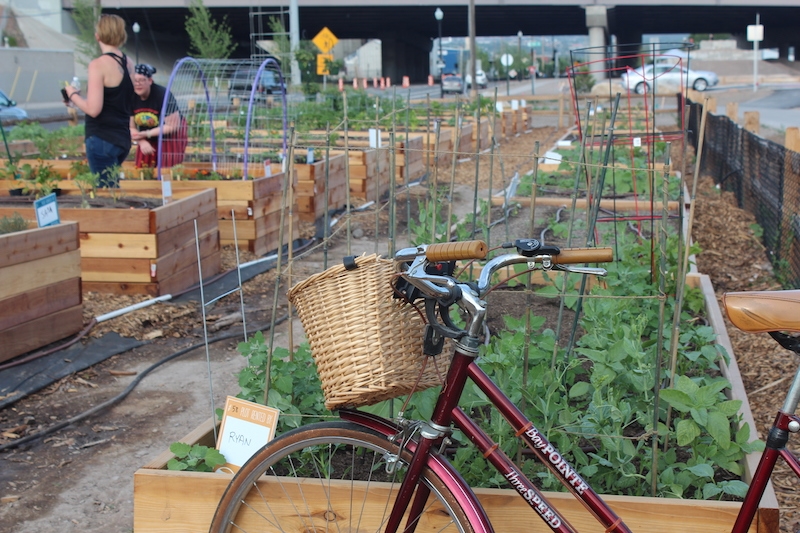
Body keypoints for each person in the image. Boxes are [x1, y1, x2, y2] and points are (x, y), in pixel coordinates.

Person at [65, 14, 134, 188]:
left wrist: (72, 95)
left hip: (102, 137)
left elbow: (94, 109)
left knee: (106, 196)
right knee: (112, 190)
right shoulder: (129, 63)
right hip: (121, 138)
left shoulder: (98, 65)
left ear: (98, 36)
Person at [129, 64, 187, 169]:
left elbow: (173, 125)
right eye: (134, 81)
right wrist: (141, 141)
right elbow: (130, 127)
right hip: (145, 132)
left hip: (170, 132)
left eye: (142, 80)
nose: (138, 84)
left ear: (150, 81)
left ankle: (168, 184)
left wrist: (147, 134)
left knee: (167, 168)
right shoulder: (129, 97)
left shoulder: (162, 95)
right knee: (143, 165)